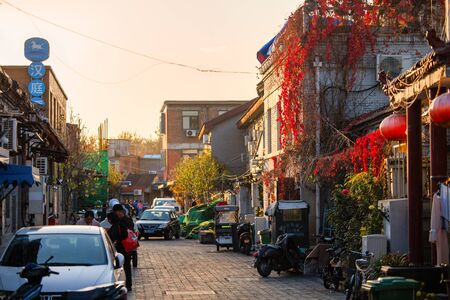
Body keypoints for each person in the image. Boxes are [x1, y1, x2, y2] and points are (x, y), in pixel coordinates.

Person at [108, 204, 134, 291]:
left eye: (119, 211)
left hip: (126, 247)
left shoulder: (126, 220)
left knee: (126, 266)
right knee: (118, 267)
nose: (117, 213)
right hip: (119, 247)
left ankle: (129, 285)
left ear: (121, 211)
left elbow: (129, 231)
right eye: (116, 212)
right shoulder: (117, 221)